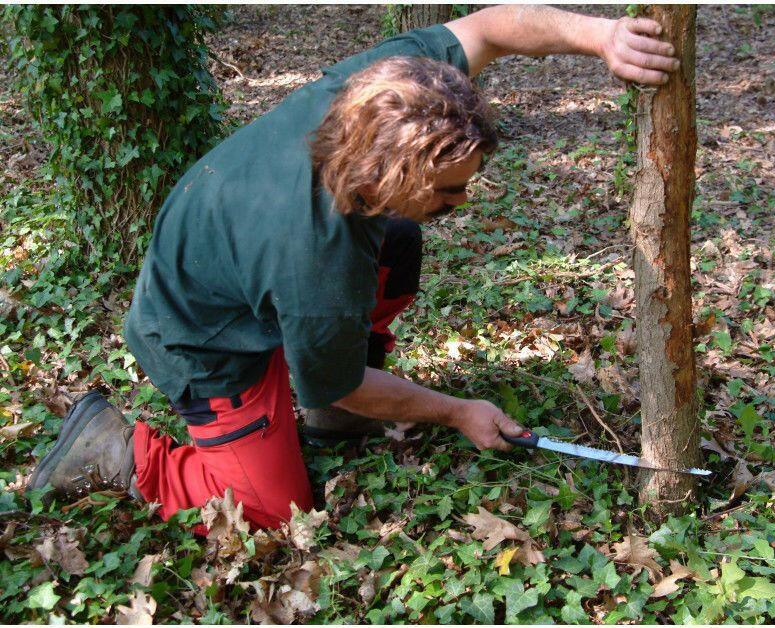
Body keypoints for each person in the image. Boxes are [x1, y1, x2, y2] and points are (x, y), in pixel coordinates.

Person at [29, 6, 680, 530]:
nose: (462, 202)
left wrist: (603, 36)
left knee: (397, 244)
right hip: (200, 339)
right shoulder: (321, 260)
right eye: (448, 191)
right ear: (389, 175)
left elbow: (487, 26)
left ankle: (331, 392)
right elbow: (334, 384)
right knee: (271, 508)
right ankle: (115, 452)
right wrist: (456, 410)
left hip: (225, 252)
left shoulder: (388, 90)